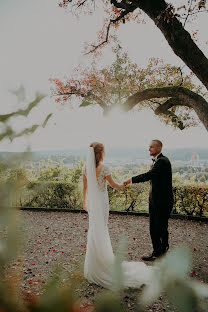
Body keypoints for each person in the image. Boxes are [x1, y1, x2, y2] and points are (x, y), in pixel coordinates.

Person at [82, 142, 154, 289]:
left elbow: (85, 187)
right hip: (101, 201)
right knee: (102, 228)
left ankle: (95, 263)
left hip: (91, 202)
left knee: (95, 229)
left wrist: (84, 202)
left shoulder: (85, 167)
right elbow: (113, 185)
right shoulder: (105, 167)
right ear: (101, 153)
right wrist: (124, 185)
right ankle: (105, 261)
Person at [124, 140, 174, 261]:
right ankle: (162, 251)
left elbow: (149, 175)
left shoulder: (162, 161)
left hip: (161, 202)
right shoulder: (161, 160)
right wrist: (151, 196)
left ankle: (157, 253)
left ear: (159, 148)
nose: (149, 149)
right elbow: (157, 182)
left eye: (151, 147)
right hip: (158, 200)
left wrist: (131, 180)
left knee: (156, 227)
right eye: (149, 147)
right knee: (161, 227)